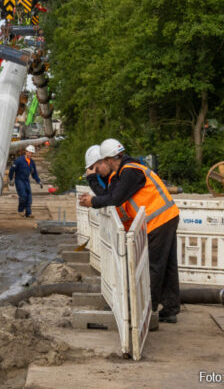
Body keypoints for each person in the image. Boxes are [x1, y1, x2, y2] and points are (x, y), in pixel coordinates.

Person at [78, 138, 180, 323]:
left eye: (96, 168)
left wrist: (92, 202)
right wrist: (93, 180)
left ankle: (147, 311)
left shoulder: (131, 170)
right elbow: (108, 196)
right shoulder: (122, 173)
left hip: (159, 220)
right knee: (167, 265)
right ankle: (171, 308)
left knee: (154, 267)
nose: (98, 173)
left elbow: (115, 198)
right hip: (163, 217)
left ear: (107, 160)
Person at [8, 145, 43, 217]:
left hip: (26, 180)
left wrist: (39, 181)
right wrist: (11, 178)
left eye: (31, 153)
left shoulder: (32, 162)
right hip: (19, 180)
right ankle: (20, 210)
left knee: (29, 198)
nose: (30, 154)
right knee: (23, 196)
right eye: (29, 153)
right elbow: (12, 169)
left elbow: (34, 173)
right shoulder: (19, 160)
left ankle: (28, 213)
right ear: (26, 152)